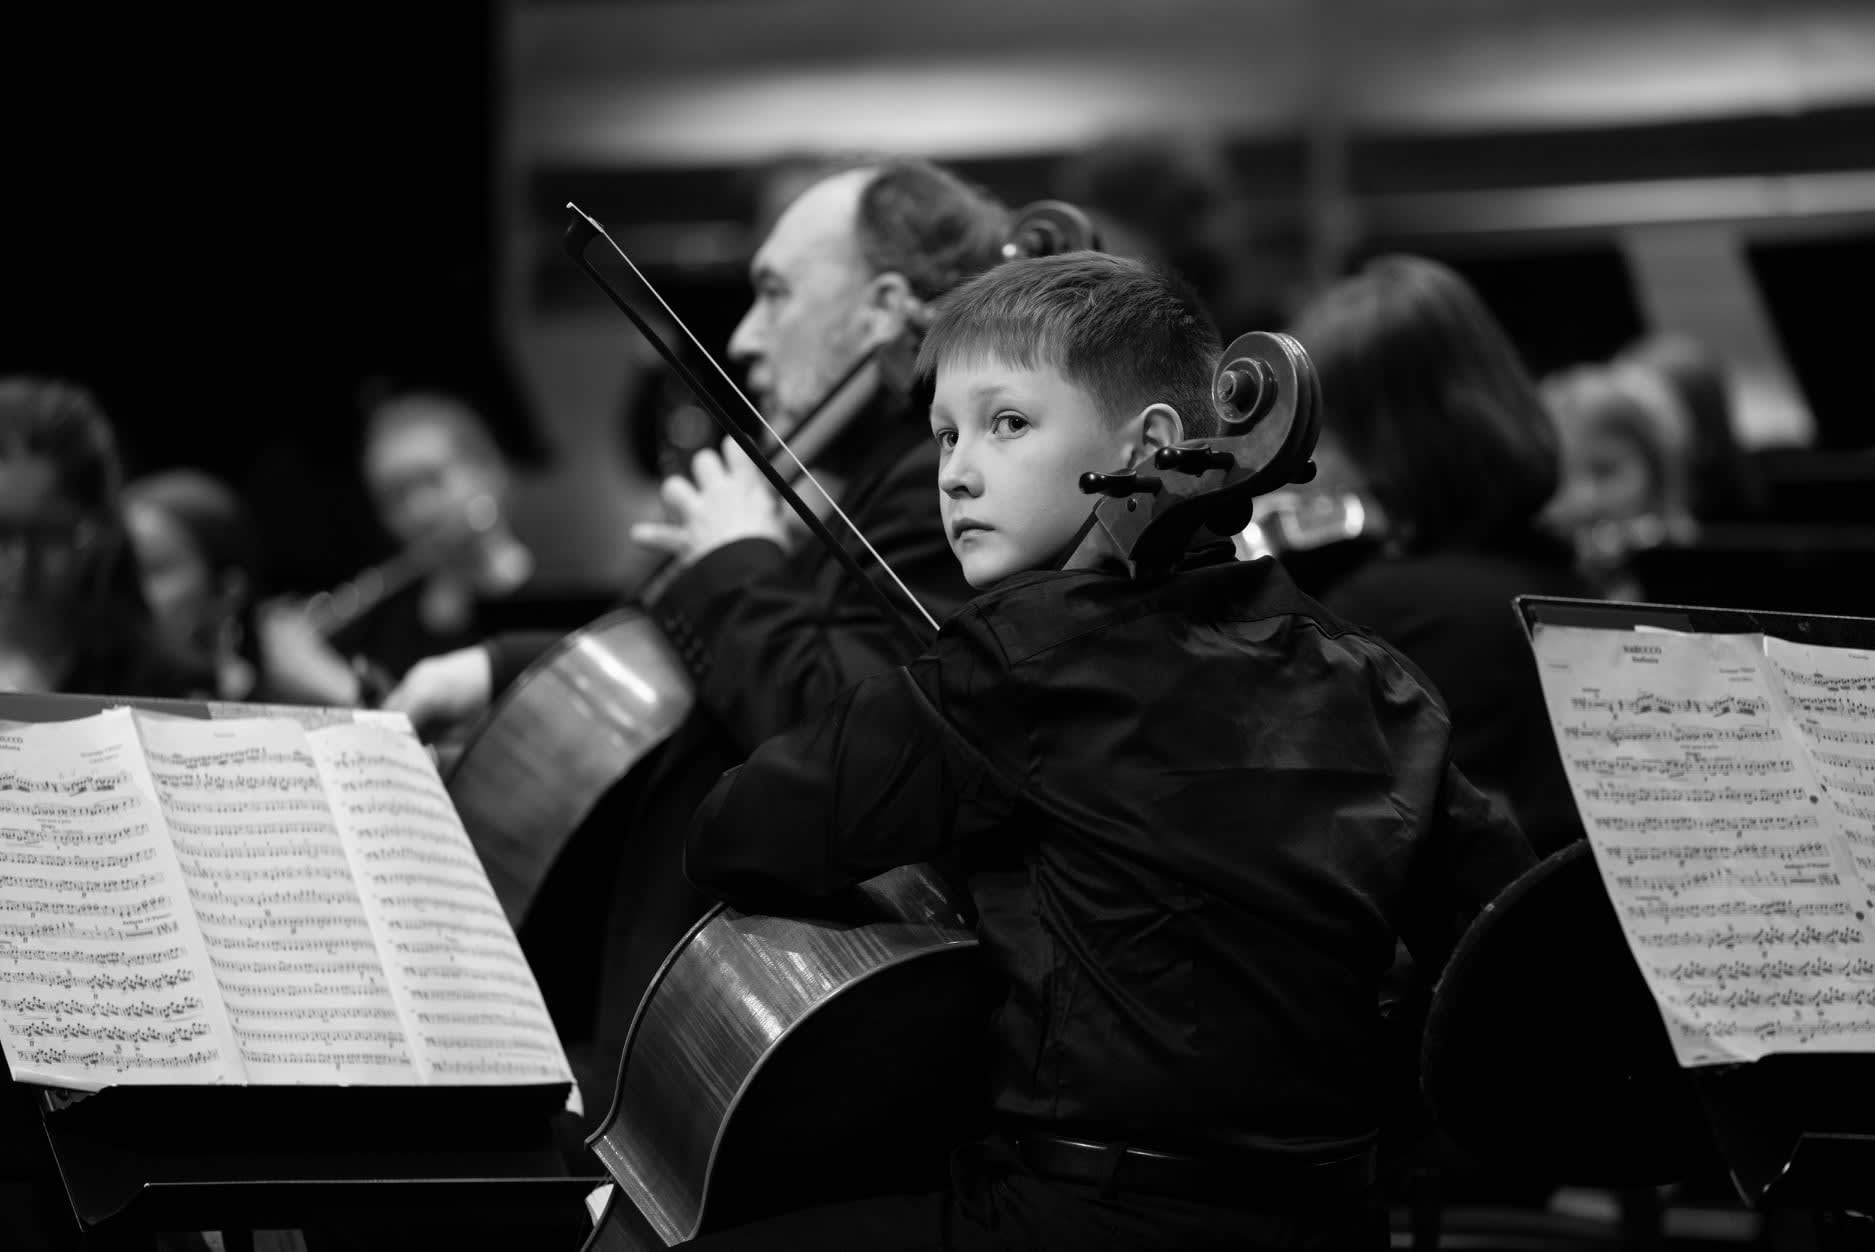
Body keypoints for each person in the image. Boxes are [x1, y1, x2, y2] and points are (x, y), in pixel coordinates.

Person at [663, 252, 1535, 1250]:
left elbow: (740, 831)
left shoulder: (1021, 659)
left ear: (1152, 443)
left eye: (1007, 423)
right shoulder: (1373, 678)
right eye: (944, 433)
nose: (956, 470)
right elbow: (1505, 947)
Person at [383, 158, 1005, 1112]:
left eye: (775, 292)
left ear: (883, 310)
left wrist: (733, 561)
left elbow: (841, 739)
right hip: (685, 1024)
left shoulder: (941, 491)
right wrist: (496, 666)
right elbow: (673, 653)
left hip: (788, 1064)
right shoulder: (843, 486)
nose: (745, 338)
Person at [1286, 256, 1596, 861]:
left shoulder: (1377, 611)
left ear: (1378, 435)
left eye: (1320, 429)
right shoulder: (1573, 583)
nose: (1308, 462)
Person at [256, 389, 537, 706]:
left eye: (429, 480)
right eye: (394, 497)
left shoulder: (556, 598)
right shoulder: (383, 619)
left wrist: (334, 683)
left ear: (486, 470)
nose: (417, 510)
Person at [0, 378, 203, 699]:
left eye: (50, 536)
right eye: (1, 532)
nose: (20, 564)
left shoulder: (159, 686)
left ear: (100, 531)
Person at [124, 469, 264, 701]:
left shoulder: (288, 700)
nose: (128, 587)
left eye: (154, 569)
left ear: (227, 591)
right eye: (121, 571)